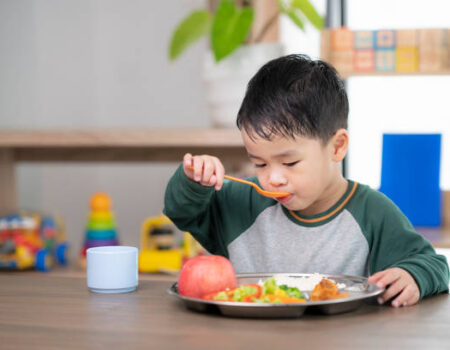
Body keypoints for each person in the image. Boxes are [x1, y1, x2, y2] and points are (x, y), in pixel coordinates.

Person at [164, 54, 449, 307]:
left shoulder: (373, 213)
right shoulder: (241, 202)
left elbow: (434, 264)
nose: (272, 178)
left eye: (289, 163)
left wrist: (413, 275)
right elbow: (182, 211)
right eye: (260, 163)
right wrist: (194, 182)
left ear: (337, 147)